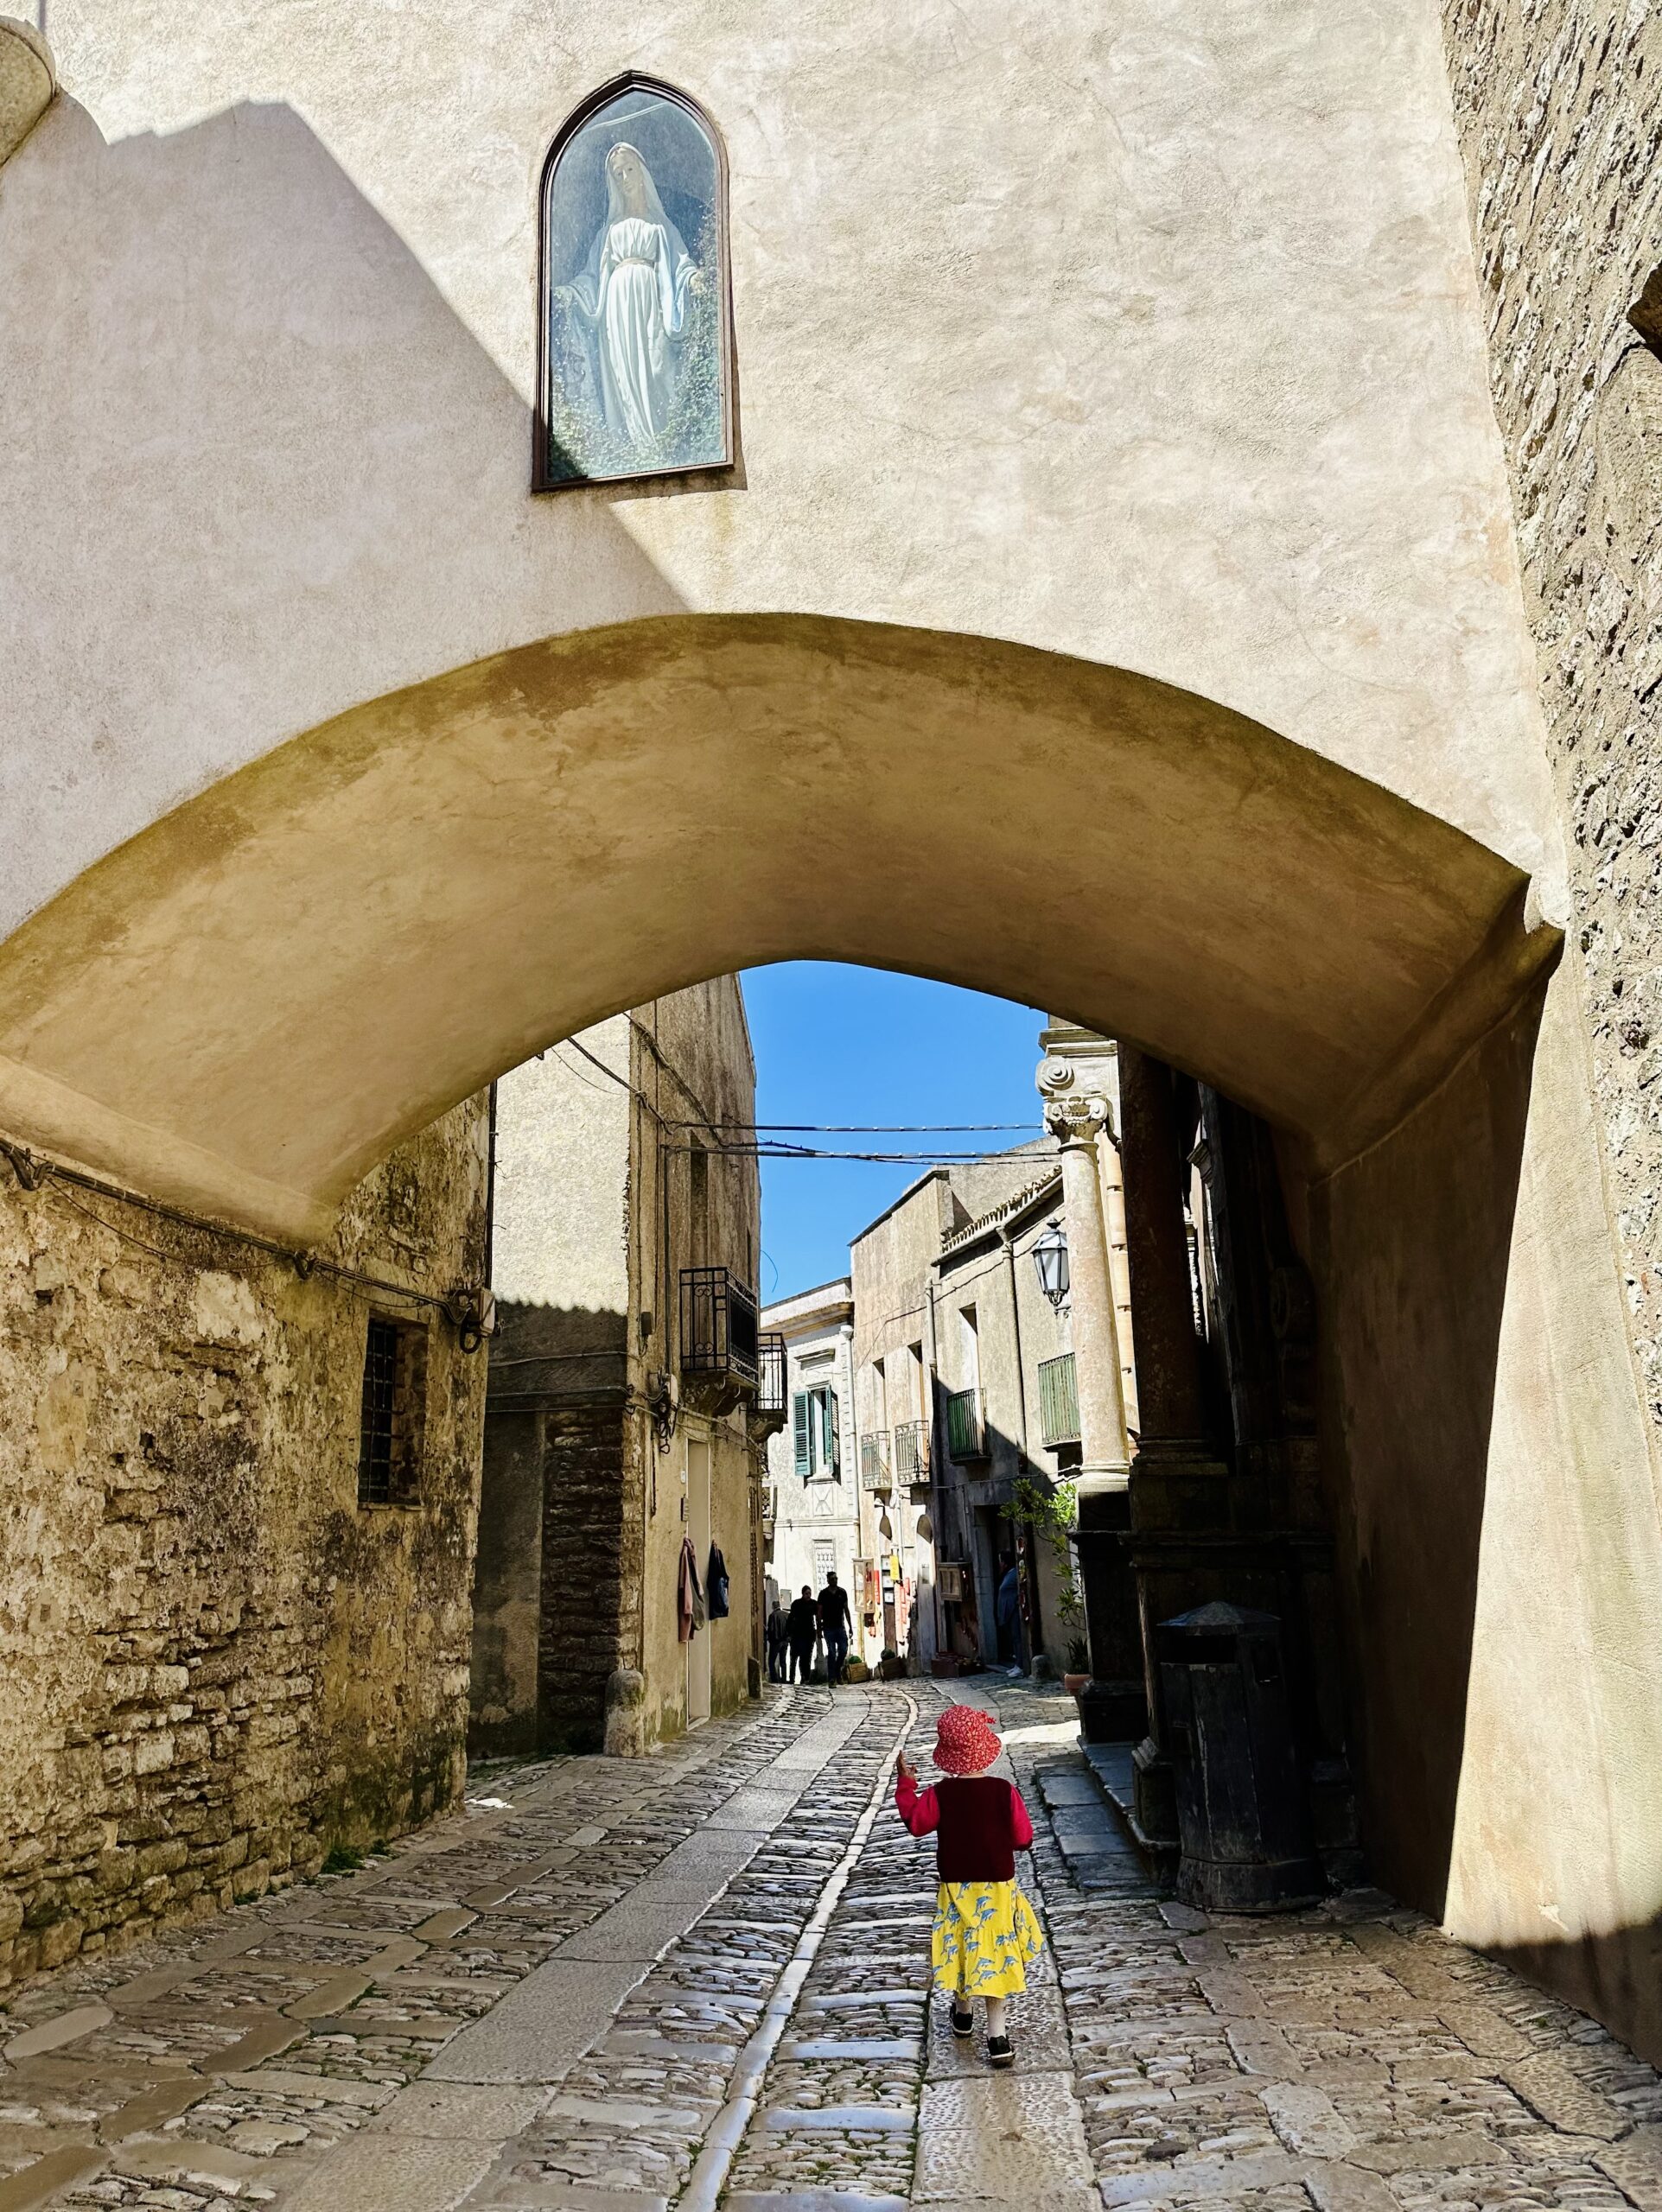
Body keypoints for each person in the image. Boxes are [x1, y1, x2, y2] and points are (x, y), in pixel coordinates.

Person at [895, 1704, 1043, 2070]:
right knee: (994, 1950)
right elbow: (1023, 1838)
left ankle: (963, 2013)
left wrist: (906, 1784)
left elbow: (916, 1823)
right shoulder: (1003, 1791)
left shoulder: (939, 1795)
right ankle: (997, 2038)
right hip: (998, 1887)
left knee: (963, 1943)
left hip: (956, 1887)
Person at [818, 1569, 852, 1685]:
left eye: (836, 1578)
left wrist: (850, 1626)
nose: (835, 1580)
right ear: (828, 1580)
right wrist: (819, 1628)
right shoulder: (823, 1594)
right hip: (828, 1628)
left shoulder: (842, 1592)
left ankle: (837, 1670)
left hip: (840, 1627)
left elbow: (846, 1610)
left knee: (843, 1650)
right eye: (832, 1579)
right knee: (832, 1652)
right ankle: (832, 1678)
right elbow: (819, 1612)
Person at [786, 1585, 818, 1683]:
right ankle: (792, 1678)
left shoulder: (813, 1604)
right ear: (803, 1594)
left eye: (809, 1594)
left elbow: (818, 1616)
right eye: (806, 1594)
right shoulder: (796, 1604)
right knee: (794, 1658)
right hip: (797, 1635)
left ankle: (805, 1677)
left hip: (809, 1635)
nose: (808, 1595)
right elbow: (791, 1619)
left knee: (806, 1657)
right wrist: (789, 1634)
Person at [765, 1599, 789, 1683]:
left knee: (771, 1661)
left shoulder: (772, 1616)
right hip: (785, 1641)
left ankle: (774, 1679)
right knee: (783, 1661)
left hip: (776, 1642)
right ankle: (784, 1679)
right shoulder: (786, 1615)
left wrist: (769, 1638)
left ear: (773, 1606)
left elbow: (771, 1629)